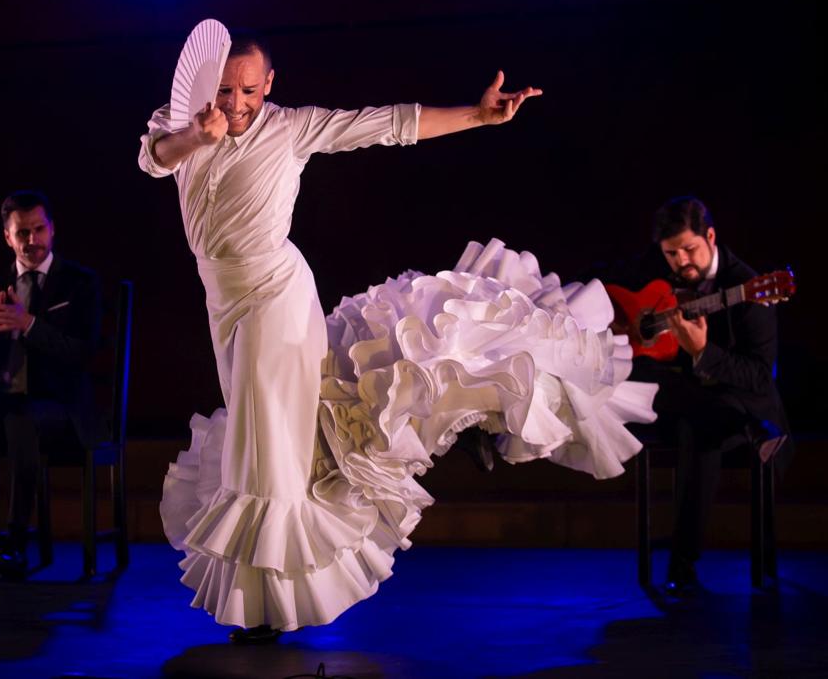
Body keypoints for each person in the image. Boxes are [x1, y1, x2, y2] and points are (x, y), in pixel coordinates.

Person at [140, 35, 653, 640]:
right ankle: (267, 600)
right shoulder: (185, 123)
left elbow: (385, 124)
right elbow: (158, 156)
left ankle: (268, 603)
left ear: (270, 84)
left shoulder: (291, 128)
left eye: (249, 89)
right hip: (222, 301)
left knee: (265, 447)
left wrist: (477, 115)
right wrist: (200, 135)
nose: (237, 102)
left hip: (276, 296)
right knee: (278, 439)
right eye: (226, 90)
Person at [623, 196, 790, 594]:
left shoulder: (750, 288)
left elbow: (758, 377)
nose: (682, 261)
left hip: (741, 403)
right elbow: (610, 286)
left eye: (690, 248)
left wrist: (702, 352)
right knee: (667, 404)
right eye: (672, 253)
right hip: (685, 397)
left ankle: (684, 562)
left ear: (711, 237)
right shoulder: (655, 269)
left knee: (698, 429)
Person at [0, 190, 103, 582]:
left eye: (39, 230)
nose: (32, 241)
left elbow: (85, 354)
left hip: (60, 406)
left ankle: (17, 540)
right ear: (7, 237)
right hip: (3, 402)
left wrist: (27, 324)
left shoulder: (79, 283)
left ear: (52, 229)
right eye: (22, 233)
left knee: (21, 421)